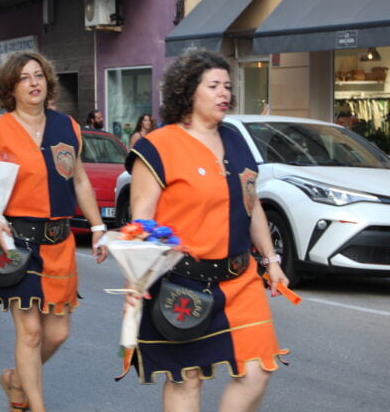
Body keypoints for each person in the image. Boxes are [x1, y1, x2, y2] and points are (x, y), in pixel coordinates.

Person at [122, 50, 288, 411]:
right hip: (182, 283)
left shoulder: (235, 139)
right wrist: (136, 279)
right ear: (188, 92)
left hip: (240, 279)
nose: (223, 93)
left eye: (227, 86)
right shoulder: (157, 146)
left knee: (259, 368)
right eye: (213, 86)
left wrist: (271, 259)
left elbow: (251, 202)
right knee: (187, 379)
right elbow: (142, 220)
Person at [0, 52, 108, 412]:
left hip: (60, 241)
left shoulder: (68, 126)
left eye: (39, 76)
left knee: (58, 333)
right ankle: (34, 405)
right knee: (30, 332)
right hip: (16, 243)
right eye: (24, 78)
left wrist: (97, 226)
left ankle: (15, 381)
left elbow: (79, 179)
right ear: (10, 88)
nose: (34, 83)